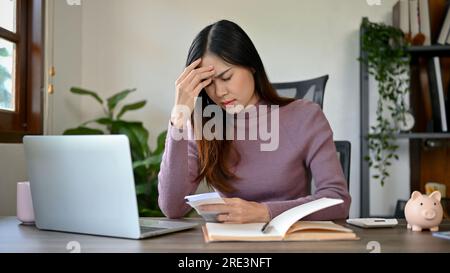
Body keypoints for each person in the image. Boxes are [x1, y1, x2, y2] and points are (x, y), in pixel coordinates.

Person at [158, 19, 351, 223]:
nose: (219, 92)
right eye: (209, 84)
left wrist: (265, 212)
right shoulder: (205, 125)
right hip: (229, 245)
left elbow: (337, 200)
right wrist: (178, 119)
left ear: (251, 66)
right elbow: (172, 208)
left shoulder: (306, 116)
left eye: (226, 77)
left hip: (289, 243)